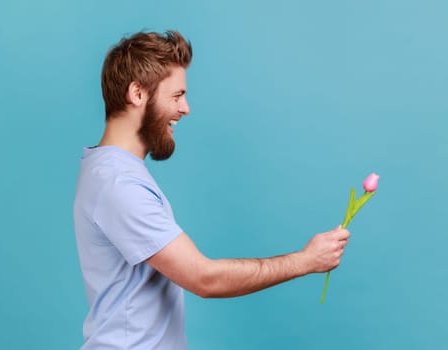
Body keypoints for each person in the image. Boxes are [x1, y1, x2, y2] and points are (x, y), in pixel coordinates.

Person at [73, 30, 350, 350]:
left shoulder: (112, 171)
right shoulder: (118, 182)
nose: (186, 108)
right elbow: (204, 278)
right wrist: (306, 260)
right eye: (176, 96)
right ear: (138, 93)